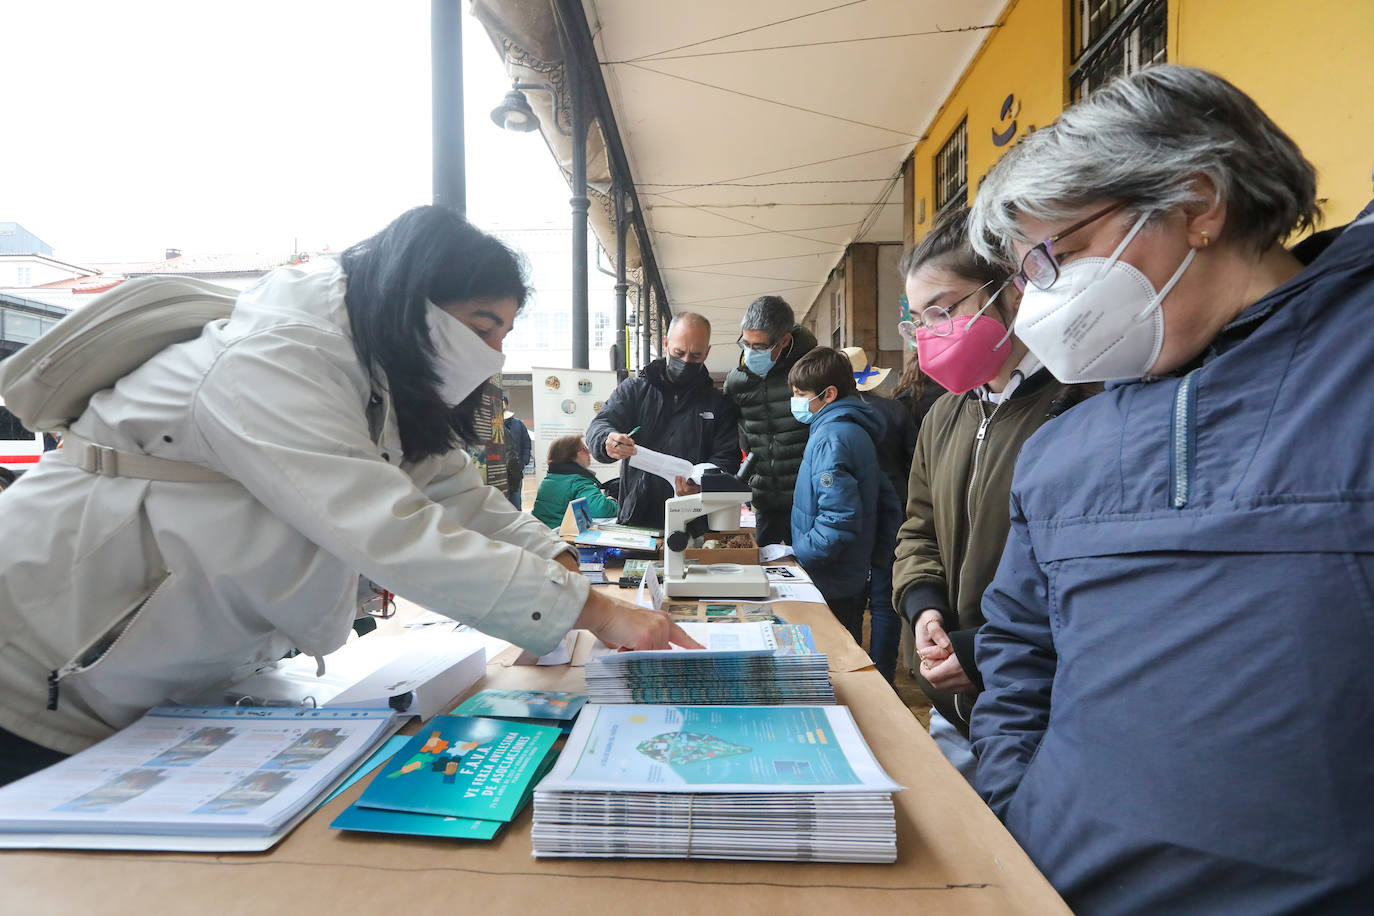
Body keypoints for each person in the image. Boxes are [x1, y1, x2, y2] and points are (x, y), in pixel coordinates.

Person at [0, 206, 696, 784]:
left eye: (504, 333)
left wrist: (562, 565)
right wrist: (592, 611)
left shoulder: (378, 384)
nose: (494, 353)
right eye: (482, 325)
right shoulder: (277, 358)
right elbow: (383, 526)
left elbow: (457, 494)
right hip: (44, 670)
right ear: (411, 293)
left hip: (149, 683)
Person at [965, 65, 1374, 912]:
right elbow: (1018, 653)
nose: (1042, 301)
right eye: (1027, 275)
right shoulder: (1064, 446)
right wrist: (1016, 806)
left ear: (1196, 206)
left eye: (1061, 256)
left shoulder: (1354, 371)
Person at [888, 204, 1092, 781]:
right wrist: (923, 606)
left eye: (942, 312)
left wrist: (981, 651)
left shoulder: (1081, 402)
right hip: (951, 700)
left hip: (1040, 707)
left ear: (1013, 290)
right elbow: (918, 529)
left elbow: (1084, 576)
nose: (927, 335)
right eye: (917, 321)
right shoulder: (944, 415)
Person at [788, 347, 901, 651]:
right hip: (846, 574)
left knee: (833, 660)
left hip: (830, 577)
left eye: (801, 394)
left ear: (828, 394)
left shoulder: (832, 438)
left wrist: (799, 554)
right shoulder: (849, 429)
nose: (796, 401)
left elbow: (838, 521)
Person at [585, 313, 739, 530]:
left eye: (695, 356)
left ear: (707, 352)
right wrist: (607, 441)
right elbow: (600, 425)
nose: (685, 361)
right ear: (666, 343)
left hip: (694, 520)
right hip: (638, 518)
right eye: (679, 353)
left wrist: (702, 485)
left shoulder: (718, 403)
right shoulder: (634, 390)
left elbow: (727, 459)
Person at [838, 346, 911, 685]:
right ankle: (883, 675)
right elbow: (915, 465)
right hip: (893, 511)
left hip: (850, 512)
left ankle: (850, 669)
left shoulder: (836, 416)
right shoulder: (895, 411)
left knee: (850, 593)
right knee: (884, 600)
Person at [724, 295, 817, 545]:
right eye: (745, 344)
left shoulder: (811, 372)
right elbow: (726, 434)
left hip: (809, 500)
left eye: (760, 347)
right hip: (764, 500)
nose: (751, 352)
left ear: (784, 340)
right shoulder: (738, 381)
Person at [531, 435, 617, 529]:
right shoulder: (577, 481)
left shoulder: (551, 479)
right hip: (563, 537)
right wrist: (614, 502)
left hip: (545, 532)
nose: (589, 452)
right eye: (583, 449)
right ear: (569, 455)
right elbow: (601, 509)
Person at [501, 395, 532, 509]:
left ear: (507, 405)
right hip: (498, 473)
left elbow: (526, 444)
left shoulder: (518, 424)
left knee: (516, 504)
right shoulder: (493, 424)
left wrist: (523, 463)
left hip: (515, 472)